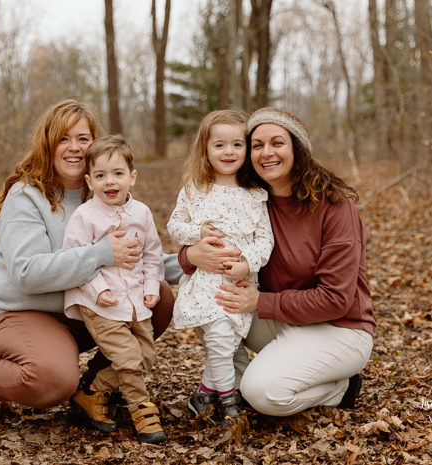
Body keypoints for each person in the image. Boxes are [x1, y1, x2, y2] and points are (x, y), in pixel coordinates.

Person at [0, 100, 181, 427]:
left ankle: (93, 390)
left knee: (157, 295)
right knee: (52, 380)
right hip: (22, 312)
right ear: (48, 144)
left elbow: (138, 258)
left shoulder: (104, 192)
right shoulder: (26, 196)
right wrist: (101, 253)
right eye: (63, 139)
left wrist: (192, 261)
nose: (74, 147)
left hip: (83, 310)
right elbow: (27, 274)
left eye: (83, 138)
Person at [178, 107, 375, 416]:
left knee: (263, 393)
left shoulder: (334, 206)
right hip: (283, 318)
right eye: (257, 145)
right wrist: (189, 256)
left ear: (297, 148)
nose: (266, 153)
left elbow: (337, 299)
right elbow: (211, 246)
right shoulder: (251, 199)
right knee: (209, 305)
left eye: (277, 143)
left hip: (340, 328)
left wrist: (260, 303)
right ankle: (238, 380)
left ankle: (341, 387)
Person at [167, 110, 274, 426]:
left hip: (238, 285)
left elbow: (264, 241)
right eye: (220, 145)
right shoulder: (194, 189)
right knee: (221, 342)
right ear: (205, 149)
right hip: (204, 286)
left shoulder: (255, 196)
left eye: (237, 145)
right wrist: (197, 234)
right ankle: (228, 400)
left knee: (229, 346)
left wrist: (246, 263)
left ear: (247, 148)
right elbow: (174, 226)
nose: (229, 152)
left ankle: (202, 395)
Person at [62, 135, 166, 444]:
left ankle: (91, 389)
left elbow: (152, 254)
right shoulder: (85, 217)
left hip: (136, 300)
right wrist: (96, 291)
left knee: (145, 356)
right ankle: (142, 411)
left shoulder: (142, 214)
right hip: (101, 304)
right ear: (89, 181)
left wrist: (151, 287)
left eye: (118, 173)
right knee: (128, 358)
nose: (111, 181)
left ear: (132, 176)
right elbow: (75, 260)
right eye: (101, 175)